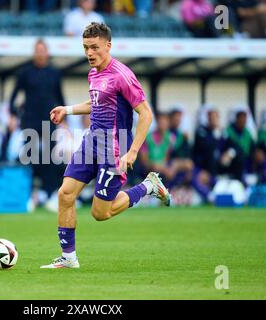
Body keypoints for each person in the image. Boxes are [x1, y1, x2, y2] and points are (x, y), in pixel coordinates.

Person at [42, 22, 171, 269]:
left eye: (95, 47)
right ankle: (68, 258)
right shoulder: (93, 73)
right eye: (85, 48)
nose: (89, 53)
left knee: (100, 213)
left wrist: (132, 151)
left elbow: (145, 114)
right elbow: (97, 103)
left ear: (108, 46)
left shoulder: (122, 75)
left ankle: (148, 186)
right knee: (65, 194)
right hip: (92, 141)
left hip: (115, 148)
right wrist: (67, 110)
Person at [9, 39, 66, 204]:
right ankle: (27, 193)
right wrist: (13, 114)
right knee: (28, 157)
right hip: (30, 121)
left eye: (43, 50)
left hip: (50, 120)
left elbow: (60, 97)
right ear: (34, 53)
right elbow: (14, 96)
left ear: (47, 53)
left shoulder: (55, 73)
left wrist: (65, 117)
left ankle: (49, 194)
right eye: (37, 51)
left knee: (50, 158)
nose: (40, 54)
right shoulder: (25, 73)